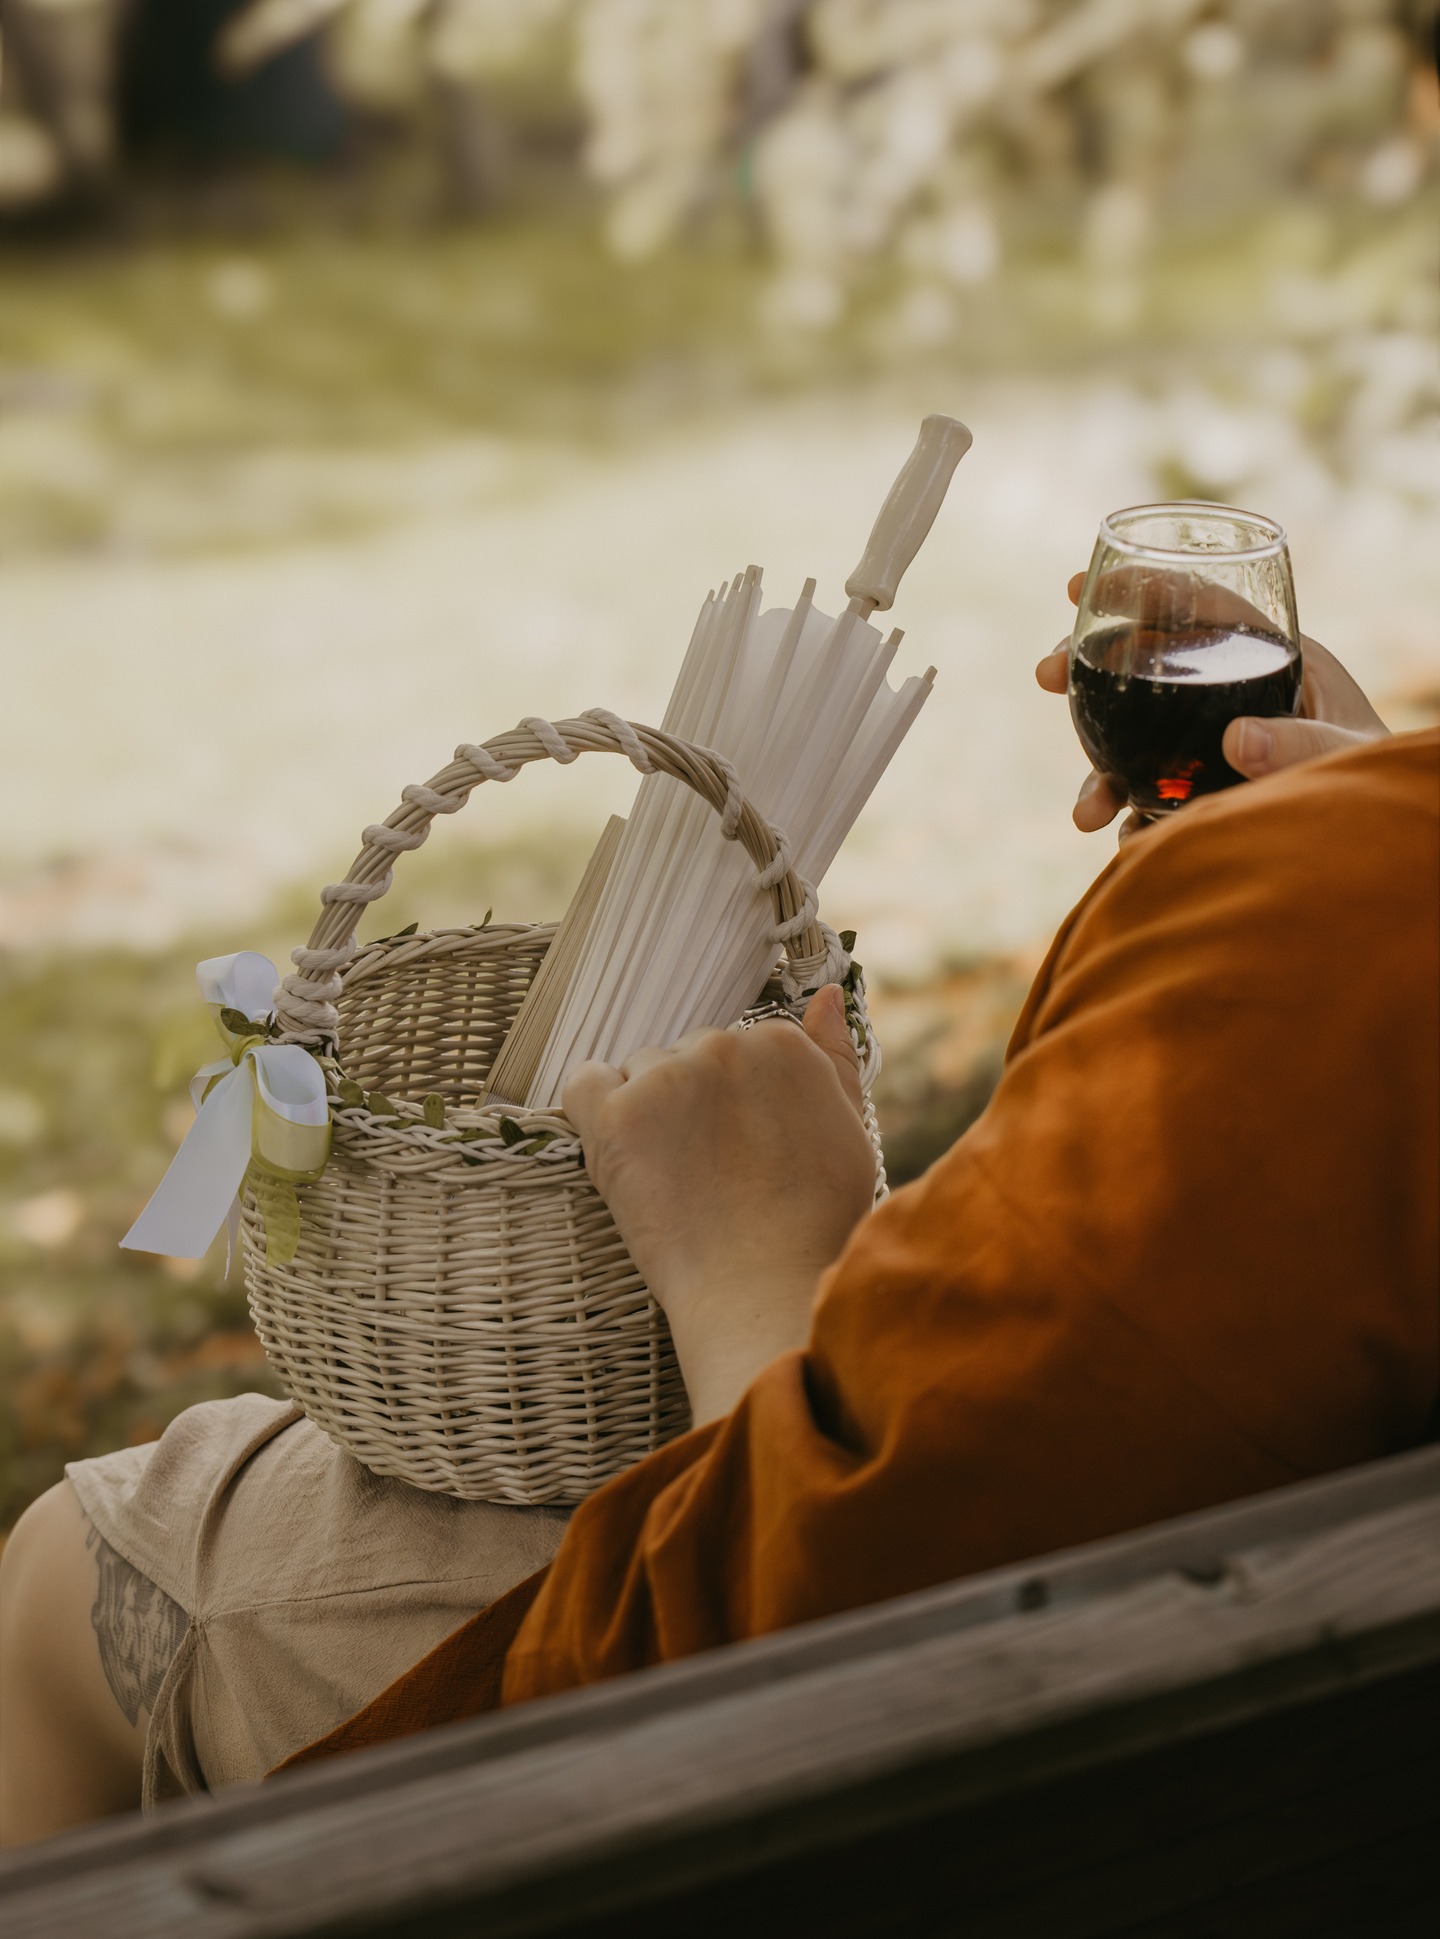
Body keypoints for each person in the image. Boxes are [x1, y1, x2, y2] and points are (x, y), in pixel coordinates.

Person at [0, 581, 1432, 1841]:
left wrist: (765, 1260)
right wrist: (1363, 820)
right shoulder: (1374, 914)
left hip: (899, 1740)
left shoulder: (1325, 946)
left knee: (68, 1572)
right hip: (1271, 1703)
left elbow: (838, 1659)